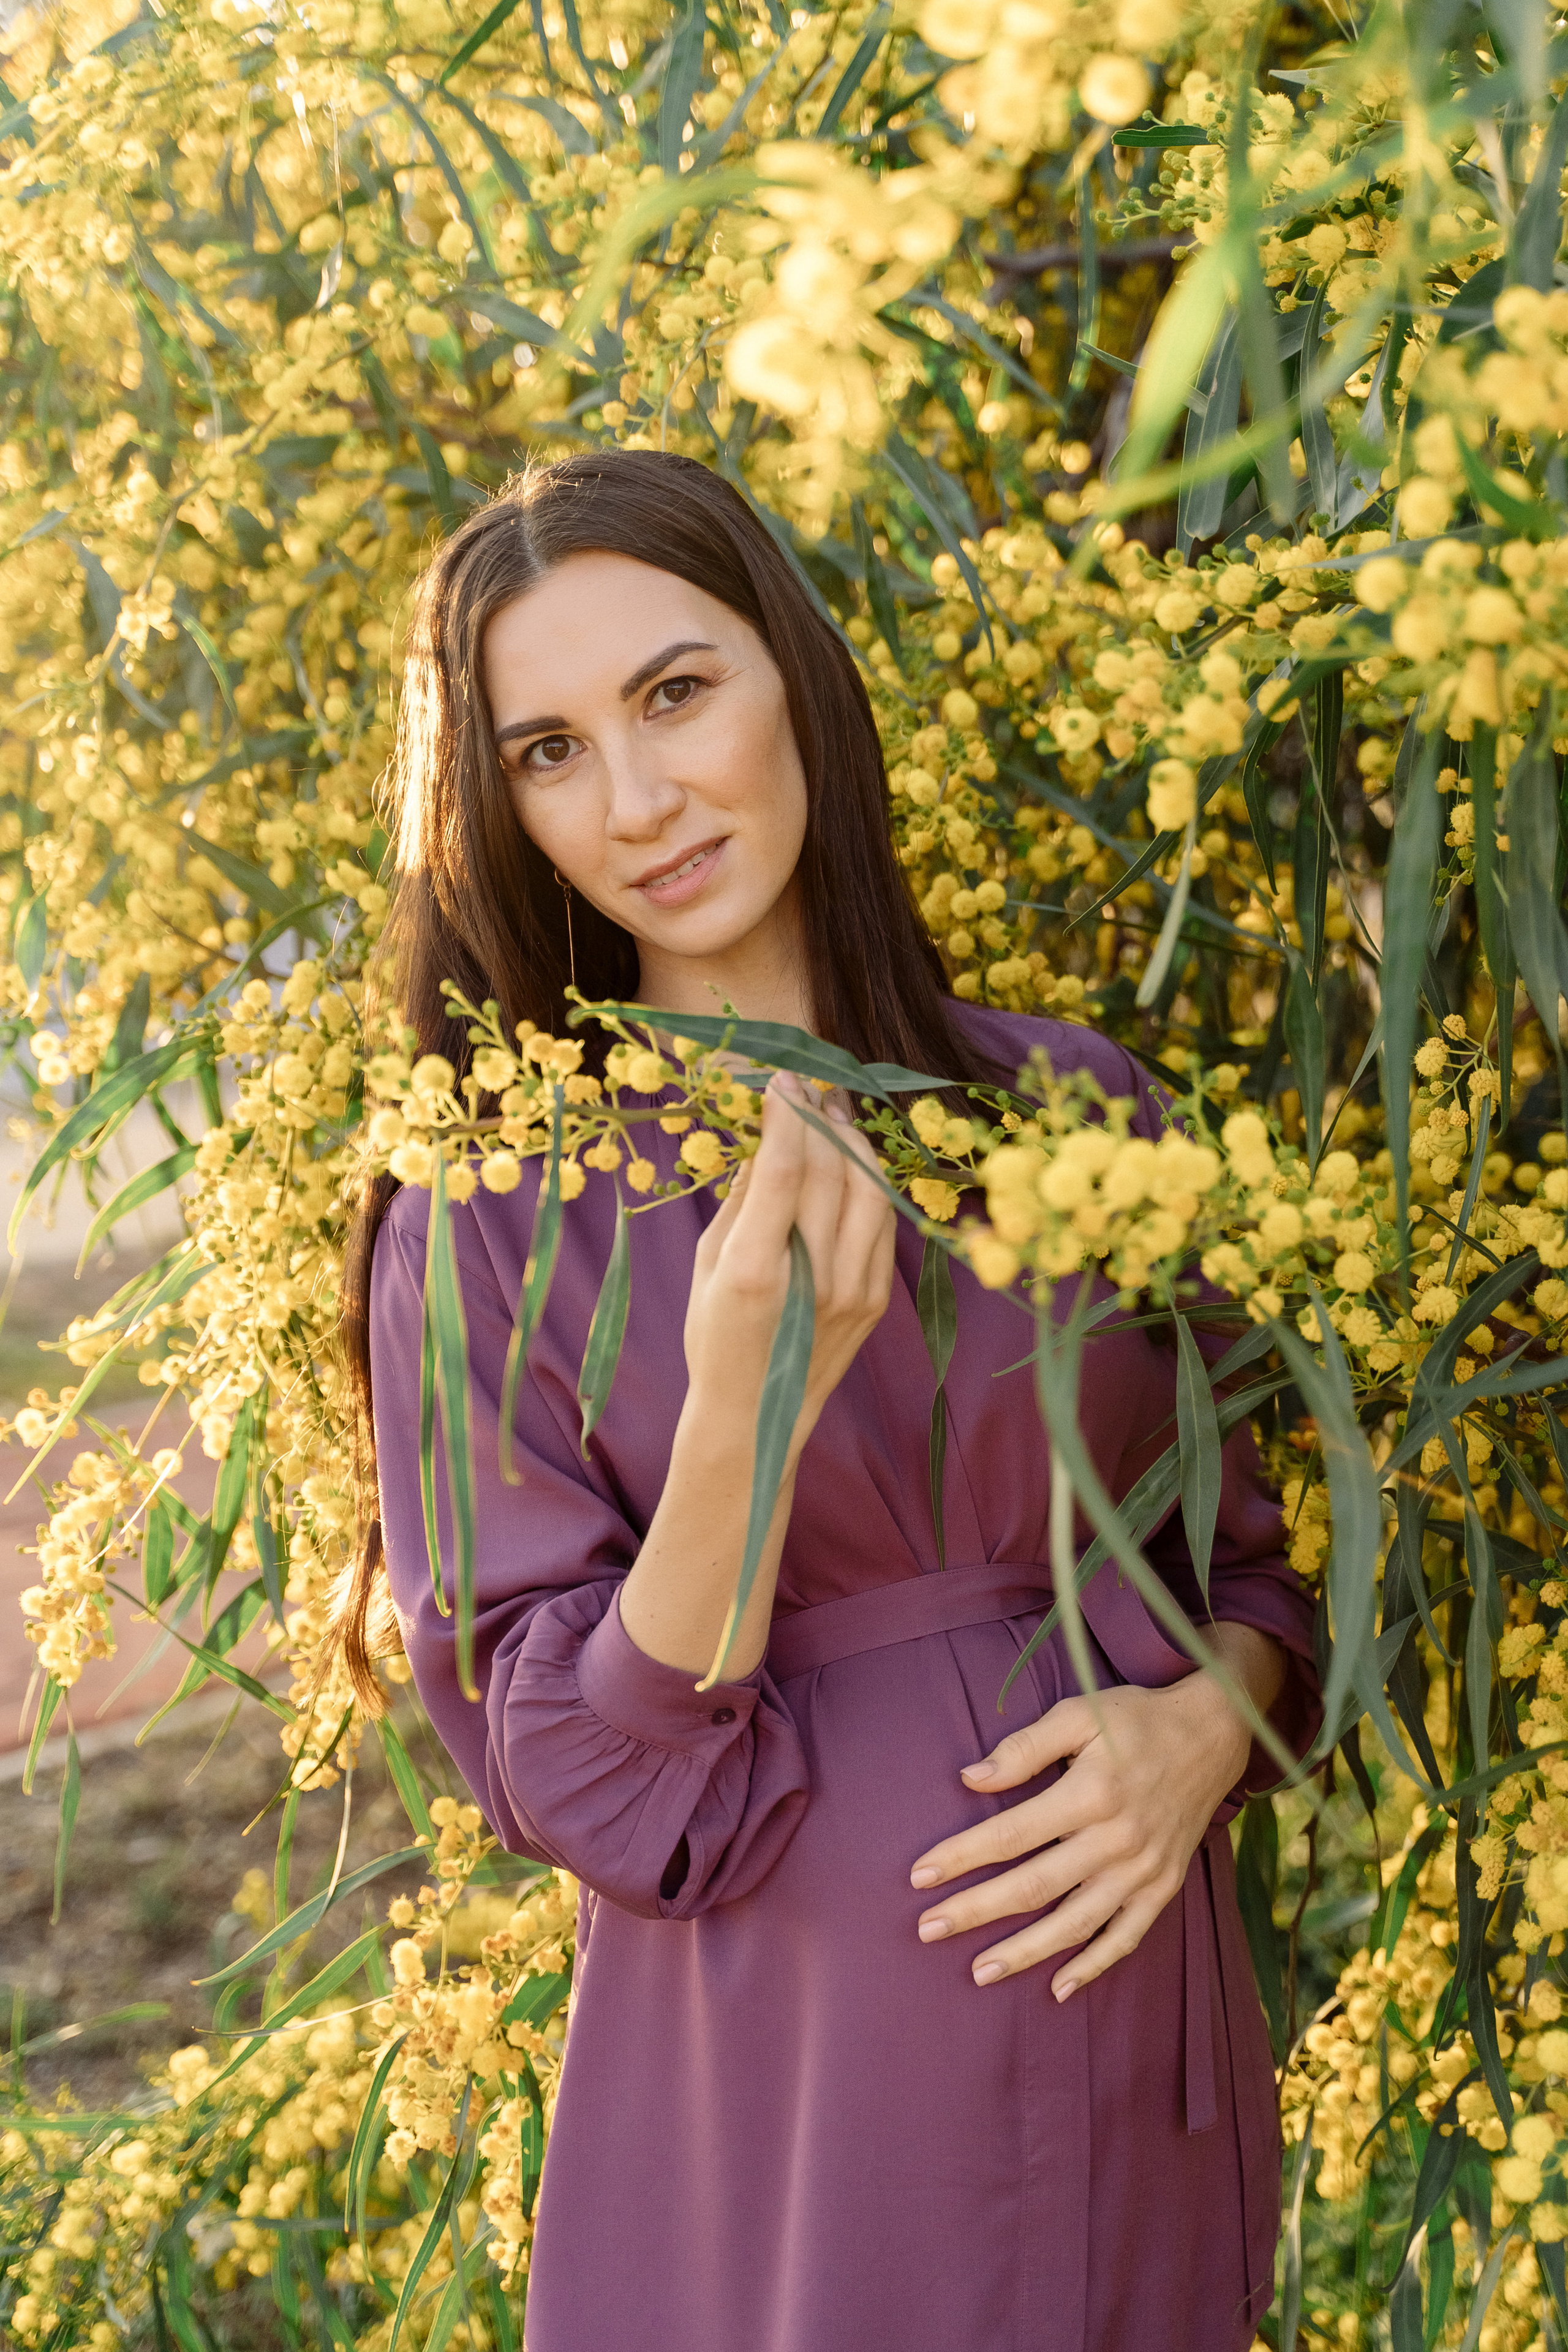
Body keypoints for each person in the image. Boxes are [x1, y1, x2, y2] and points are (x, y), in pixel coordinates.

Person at [337, 450, 1320, 2352]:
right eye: (546, 752)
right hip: (796, 2099)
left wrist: (1209, 1730)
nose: (636, 802)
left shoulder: (1073, 1110)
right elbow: (585, 1784)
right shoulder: (485, 1221)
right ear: (502, 813)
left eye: (676, 692)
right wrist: (741, 1420)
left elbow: (1263, 1578)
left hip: (1145, 2053)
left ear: (797, 675)